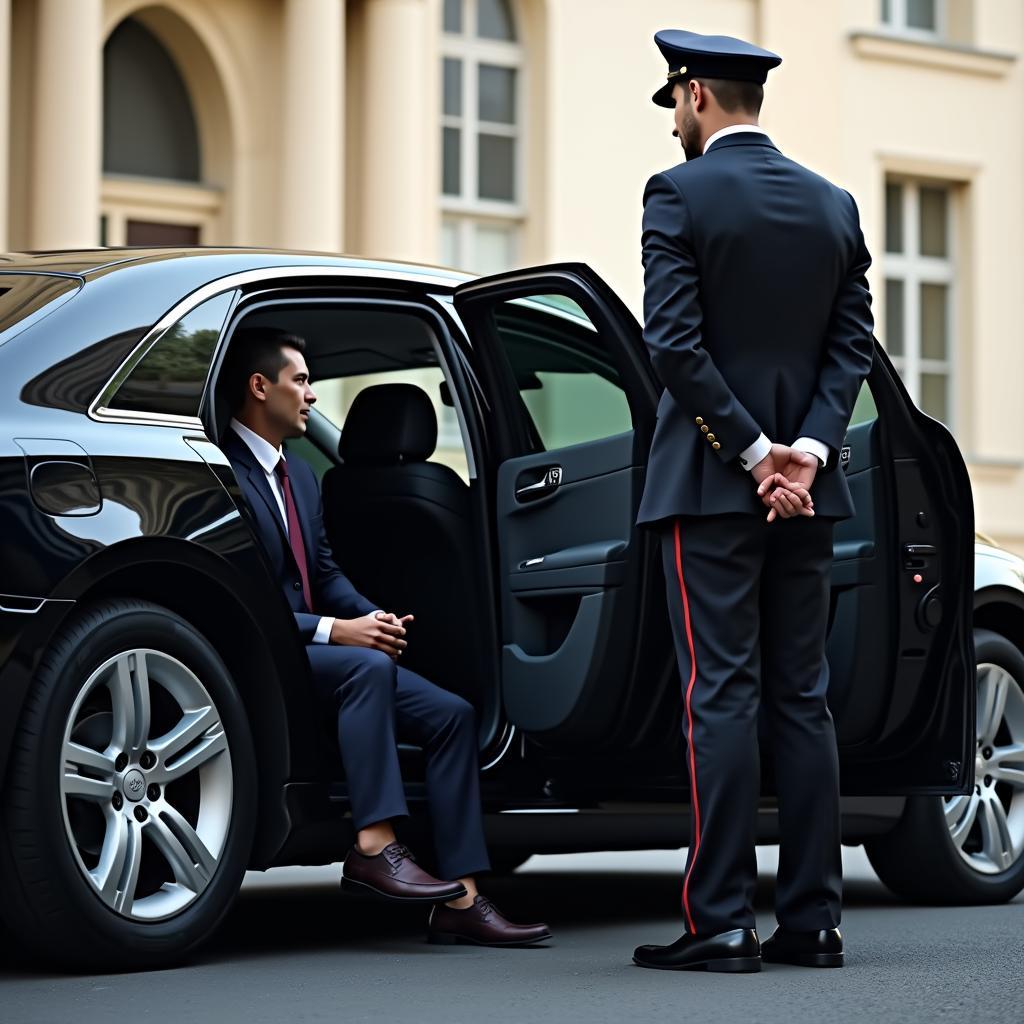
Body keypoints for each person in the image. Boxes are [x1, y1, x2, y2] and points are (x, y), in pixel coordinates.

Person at [631, 30, 874, 973]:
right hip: (808, 499)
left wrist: (753, 453)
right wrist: (805, 454)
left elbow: (675, 348)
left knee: (720, 697)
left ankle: (721, 921)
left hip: (709, 490)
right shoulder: (831, 202)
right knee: (802, 701)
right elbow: (852, 347)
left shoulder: (677, 194)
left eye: (676, 106)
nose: (677, 124)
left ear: (694, 95)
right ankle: (814, 922)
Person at [220, 326, 550, 948]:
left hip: (318, 650)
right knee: (364, 668)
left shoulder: (305, 477)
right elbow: (241, 605)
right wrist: (336, 632)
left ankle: (464, 900)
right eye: (302, 381)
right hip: (263, 656)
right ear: (260, 388)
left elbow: (321, 571)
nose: (313, 396)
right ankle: (375, 845)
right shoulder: (223, 472)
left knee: (453, 715)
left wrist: (372, 619)